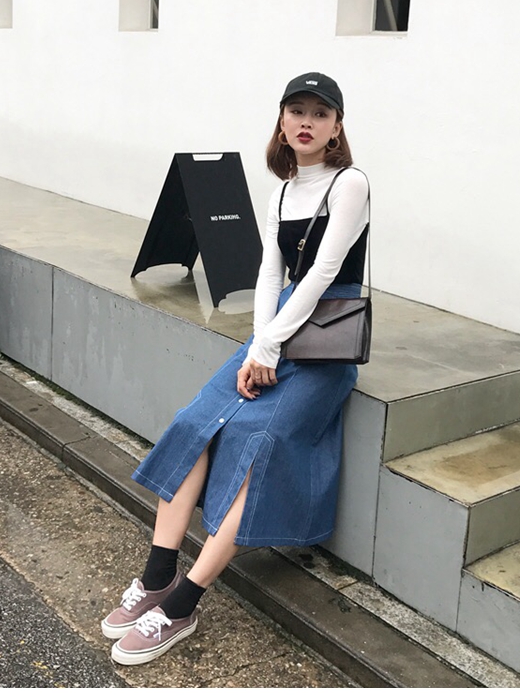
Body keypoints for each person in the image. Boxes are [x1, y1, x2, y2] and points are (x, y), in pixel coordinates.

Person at [102, 72, 370, 666]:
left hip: (325, 339)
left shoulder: (350, 183)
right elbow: (271, 273)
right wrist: (259, 344)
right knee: (197, 421)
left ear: (336, 127)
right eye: (296, 111)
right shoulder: (282, 190)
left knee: (258, 439)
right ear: (282, 121)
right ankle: (158, 575)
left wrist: (269, 345)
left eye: (320, 113)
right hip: (276, 329)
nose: (306, 122)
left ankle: (183, 605)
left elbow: (323, 274)